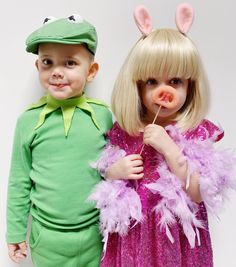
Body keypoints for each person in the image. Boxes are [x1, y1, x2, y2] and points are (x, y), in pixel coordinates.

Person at [89, 3, 236, 267]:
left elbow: (198, 192)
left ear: (190, 85)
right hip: (136, 234)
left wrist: (169, 148)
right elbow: (106, 180)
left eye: (175, 81)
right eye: (152, 82)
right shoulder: (128, 131)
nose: (163, 90)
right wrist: (114, 172)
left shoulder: (196, 131)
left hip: (176, 237)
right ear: (136, 85)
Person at [6, 14, 113, 267]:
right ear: (38, 68)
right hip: (47, 239)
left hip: (93, 234)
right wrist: (14, 232)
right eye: (47, 62)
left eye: (69, 63)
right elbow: (19, 182)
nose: (56, 72)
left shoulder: (102, 116)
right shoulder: (29, 121)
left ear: (91, 71)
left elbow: (112, 172)